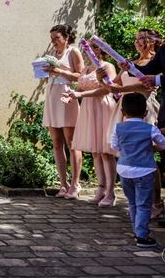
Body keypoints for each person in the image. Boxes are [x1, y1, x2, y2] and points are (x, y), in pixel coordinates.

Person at [99, 29, 162, 216]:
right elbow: (114, 88)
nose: (138, 42)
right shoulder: (130, 64)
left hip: (145, 108)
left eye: (142, 38)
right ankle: (138, 202)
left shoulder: (156, 62)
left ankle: (156, 203)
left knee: (147, 153)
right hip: (124, 109)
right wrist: (101, 78)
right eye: (136, 39)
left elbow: (145, 84)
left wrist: (118, 87)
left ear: (152, 42)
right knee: (128, 154)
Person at [65, 40, 116, 205]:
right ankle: (100, 189)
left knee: (105, 151)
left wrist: (81, 95)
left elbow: (108, 89)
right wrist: (72, 94)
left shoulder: (107, 66)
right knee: (95, 151)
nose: (88, 52)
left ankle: (110, 192)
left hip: (103, 107)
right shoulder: (86, 69)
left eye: (92, 48)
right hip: (88, 109)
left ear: (99, 50)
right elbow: (81, 88)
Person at [111, 93, 165, 248]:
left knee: (133, 202)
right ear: (146, 112)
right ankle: (142, 236)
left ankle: (137, 230)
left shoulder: (118, 128)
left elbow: (114, 146)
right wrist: (151, 147)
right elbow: (162, 144)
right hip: (144, 170)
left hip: (124, 169)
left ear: (122, 112)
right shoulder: (150, 129)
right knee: (144, 204)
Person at [42, 24, 84, 199]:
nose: (54, 42)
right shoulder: (51, 55)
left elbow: (80, 76)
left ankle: (76, 183)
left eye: (57, 38)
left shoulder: (73, 52)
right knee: (57, 143)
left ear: (66, 37)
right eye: (52, 39)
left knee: (72, 142)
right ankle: (63, 184)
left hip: (67, 97)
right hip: (52, 96)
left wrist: (59, 70)